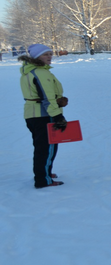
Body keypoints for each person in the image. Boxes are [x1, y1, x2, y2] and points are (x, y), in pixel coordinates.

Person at [19, 44, 68, 188]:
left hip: (32, 114)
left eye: (50, 54)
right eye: (45, 54)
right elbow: (47, 98)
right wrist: (58, 116)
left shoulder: (29, 71)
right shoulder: (40, 73)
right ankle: (43, 179)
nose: (49, 56)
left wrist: (59, 98)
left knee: (42, 147)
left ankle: (44, 172)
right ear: (36, 57)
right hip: (44, 115)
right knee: (47, 148)